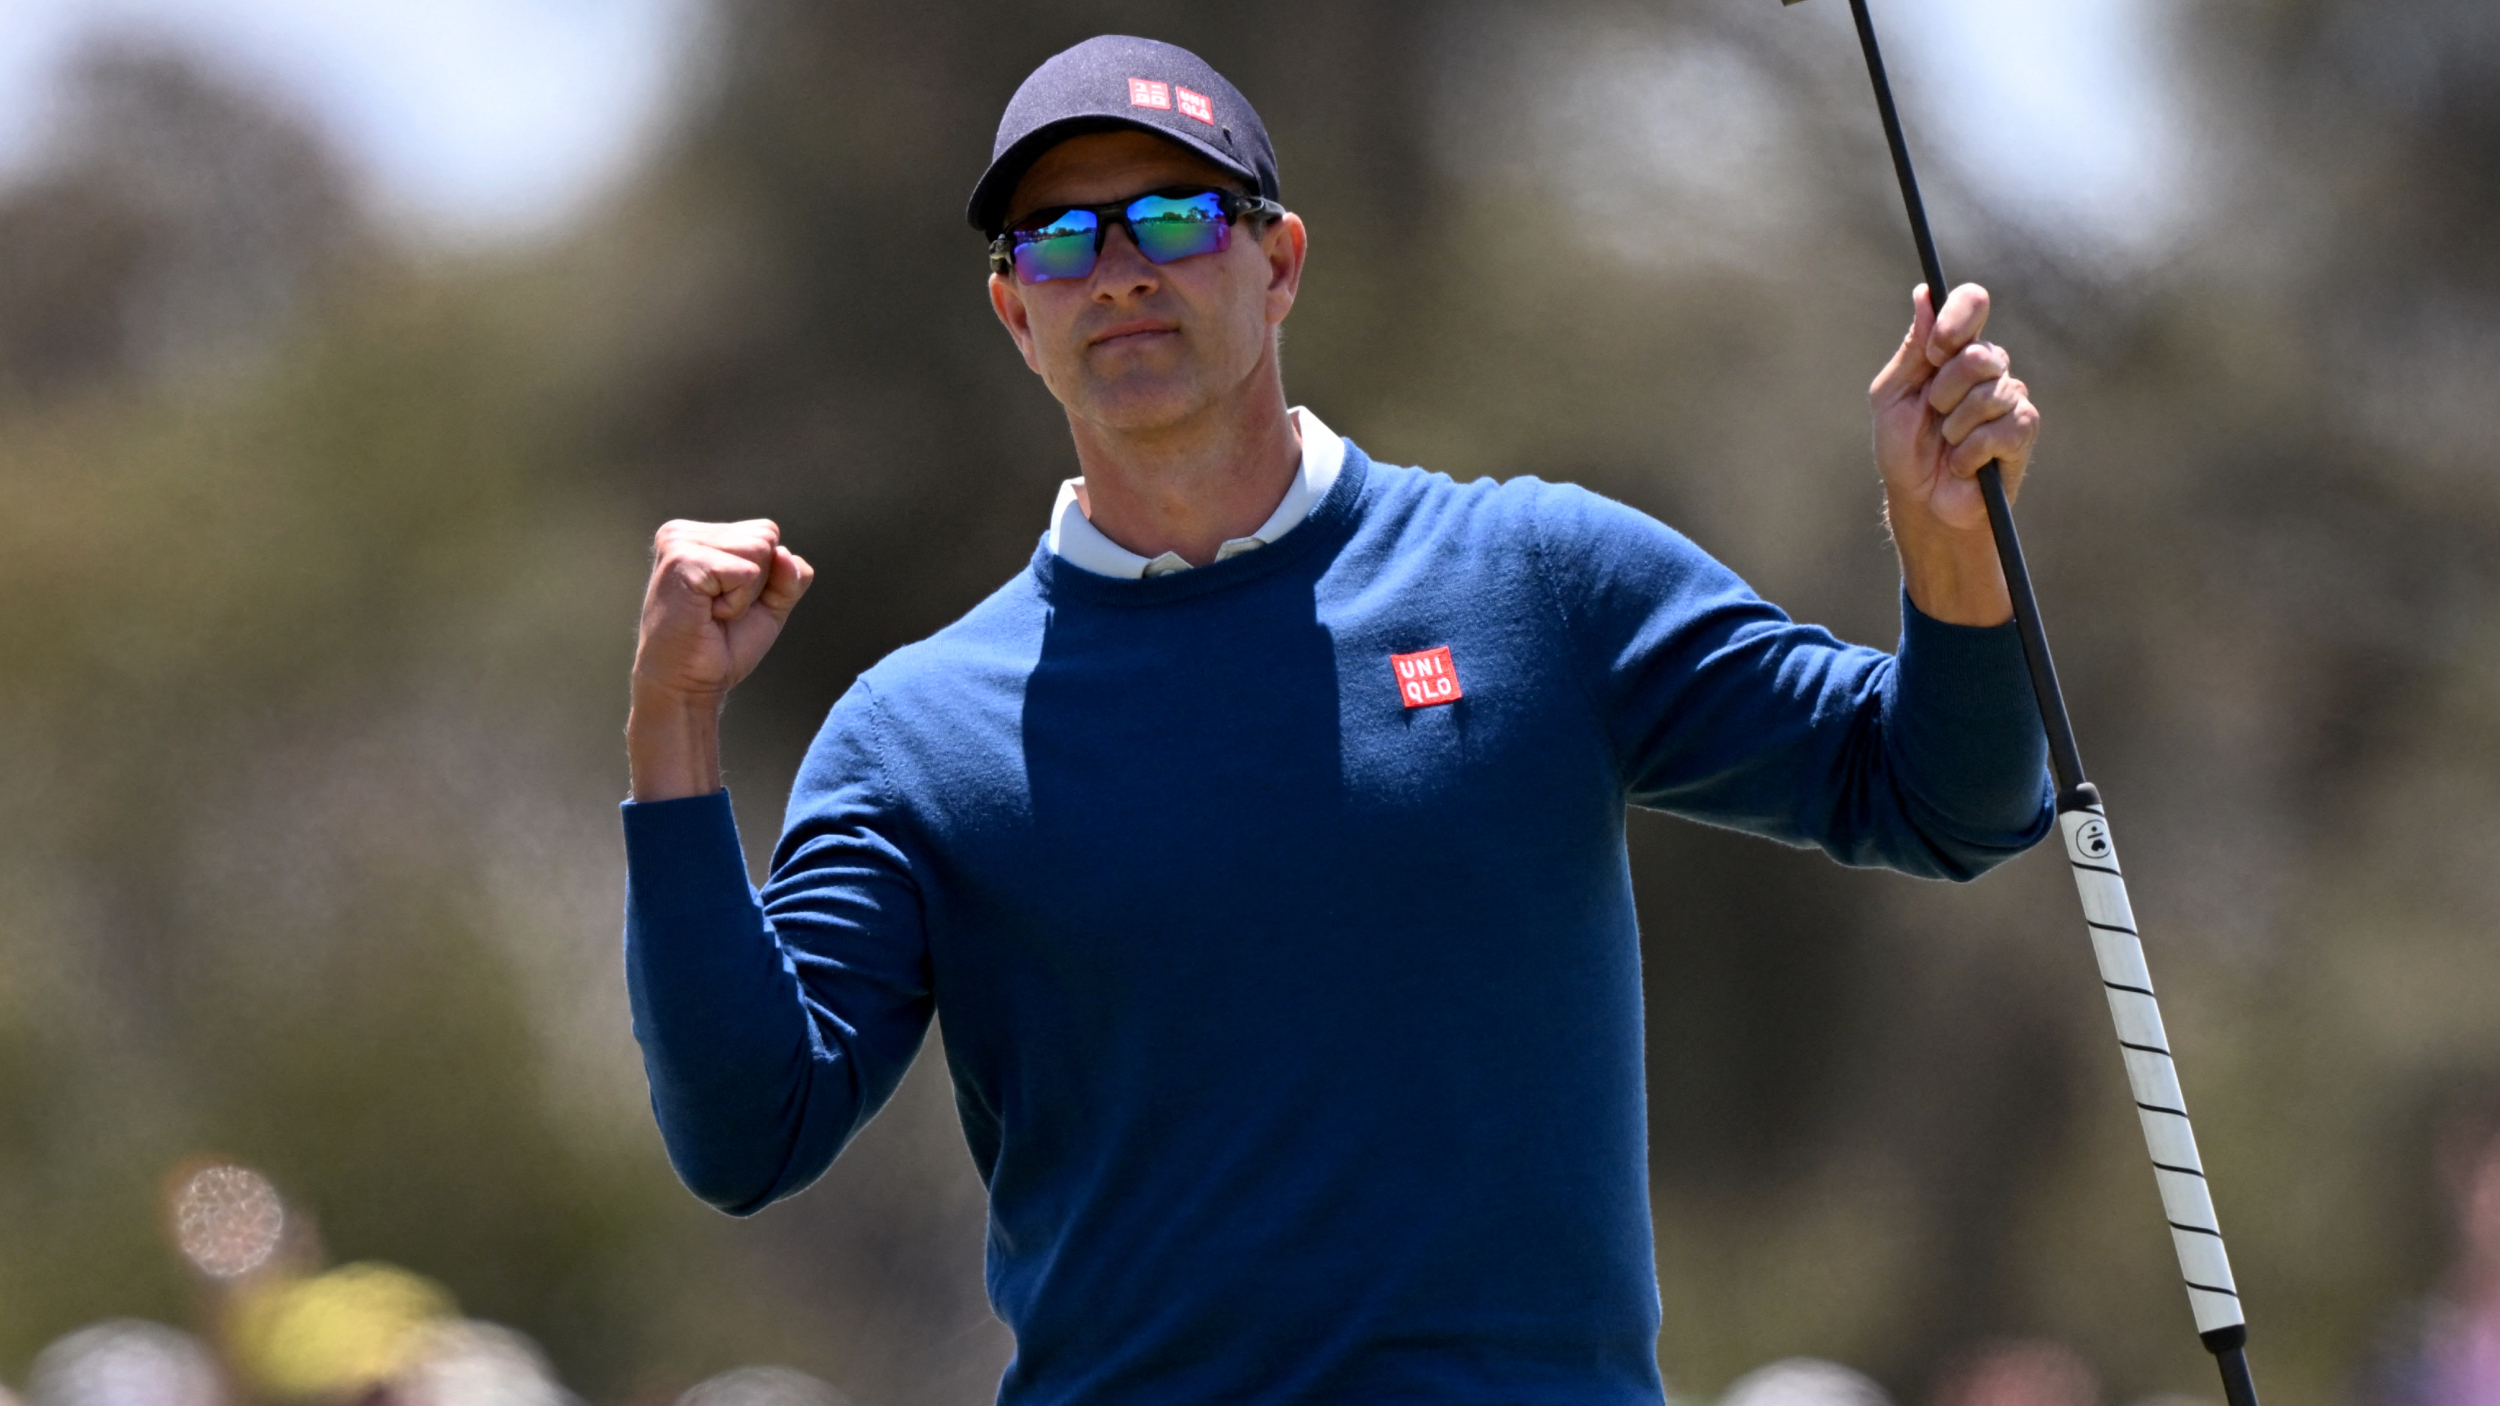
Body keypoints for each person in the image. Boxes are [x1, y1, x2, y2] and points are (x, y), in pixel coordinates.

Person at [620, 33, 2049, 1406]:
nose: (1117, 274)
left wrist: (1950, 549)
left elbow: (1943, 796)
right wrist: (674, 730)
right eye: (1060, 242)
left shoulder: (1535, 581)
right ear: (1016, 312)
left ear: (1279, 260)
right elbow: (753, 1131)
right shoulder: (917, 731)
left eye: (1174, 217)